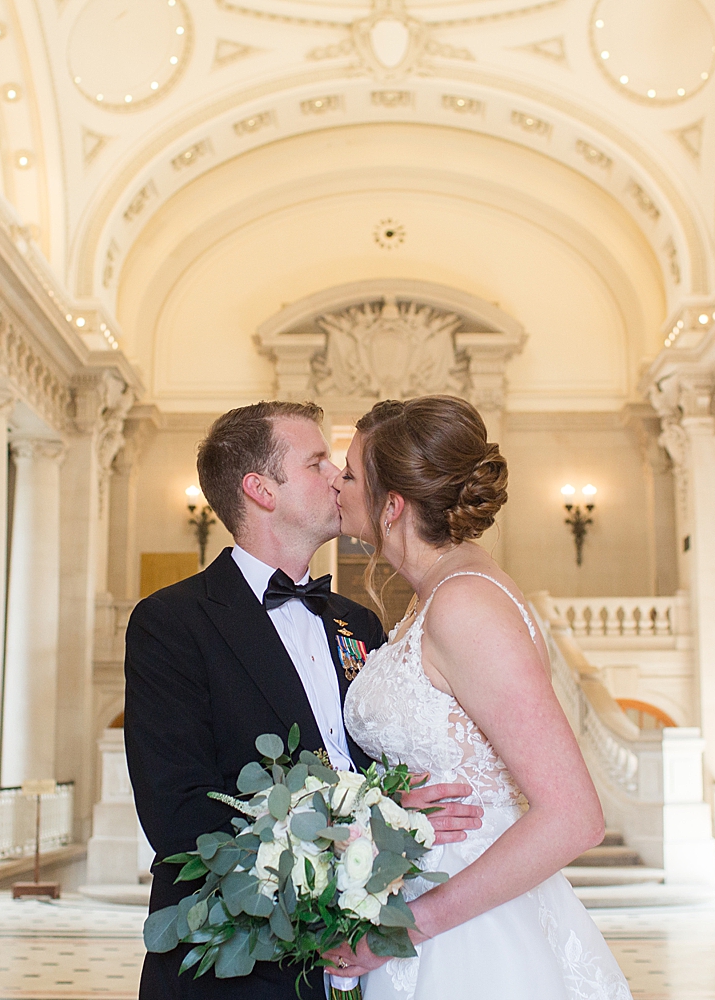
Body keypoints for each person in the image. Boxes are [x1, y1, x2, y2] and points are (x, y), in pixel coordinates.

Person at [125, 400, 485, 1000]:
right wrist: (343, 839)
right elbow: (177, 812)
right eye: (318, 462)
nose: (340, 479)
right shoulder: (172, 622)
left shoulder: (360, 623)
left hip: (368, 955)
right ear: (260, 488)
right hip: (239, 963)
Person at [325, 395, 632, 999]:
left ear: (392, 505)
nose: (337, 484)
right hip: (422, 891)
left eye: (351, 473)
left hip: (467, 929)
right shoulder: (434, 593)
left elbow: (574, 816)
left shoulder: (466, 604)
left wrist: (405, 929)